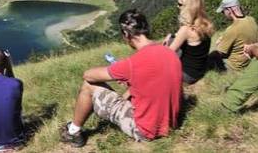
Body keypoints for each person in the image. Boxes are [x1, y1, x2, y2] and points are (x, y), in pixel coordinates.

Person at [60, 9, 182, 147]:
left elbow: (88, 75)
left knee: (88, 85)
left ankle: (73, 132)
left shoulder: (133, 63)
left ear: (126, 34)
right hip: (171, 124)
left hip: (145, 131)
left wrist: (119, 71)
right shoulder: (170, 52)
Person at [164, 0, 214, 84]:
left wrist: (166, 43)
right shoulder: (205, 23)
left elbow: (167, 54)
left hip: (187, 75)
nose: (177, 6)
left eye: (180, 4)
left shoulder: (186, 30)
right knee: (172, 38)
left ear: (188, 7)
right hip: (199, 70)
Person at [208, 0, 258, 71]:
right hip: (248, 63)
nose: (223, 14)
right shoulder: (251, 20)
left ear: (229, 10)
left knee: (211, 56)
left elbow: (220, 53)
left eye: (223, 11)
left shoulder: (232, 29)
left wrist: (218, 43)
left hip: (233, 67)